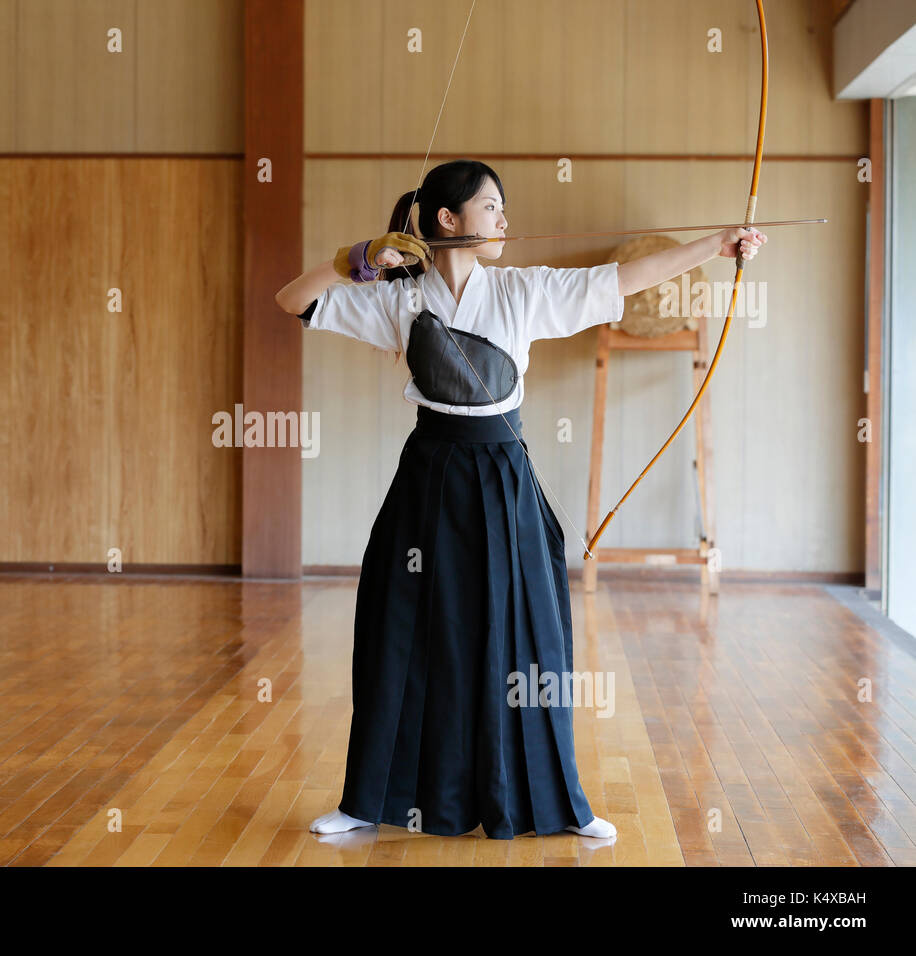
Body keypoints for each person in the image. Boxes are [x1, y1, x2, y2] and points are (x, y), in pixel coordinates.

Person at [275, 159, 764, 839]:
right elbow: (294, 301)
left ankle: (556, 803)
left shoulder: (523, 291)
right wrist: (355, 259)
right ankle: (369, 800)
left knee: (527, 632)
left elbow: (625, 280)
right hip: (428, 479)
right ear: (448, 220)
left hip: (503, 477)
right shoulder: (400, 298)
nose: (505, 220)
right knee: (403, 631)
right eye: (491, 208)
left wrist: (714, 244)